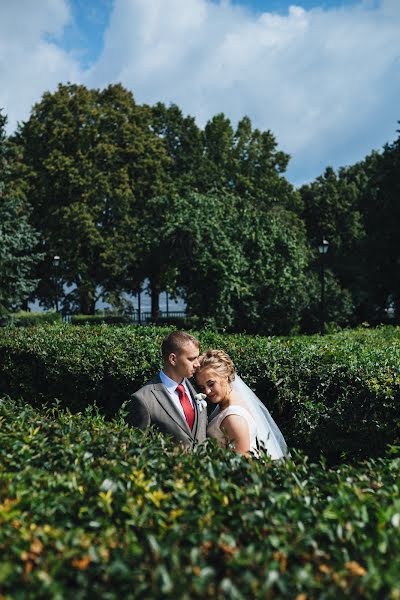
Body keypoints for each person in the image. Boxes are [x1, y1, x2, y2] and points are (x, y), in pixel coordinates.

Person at [196, 349, 288, 459]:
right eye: (202, 387)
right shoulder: (233, 400)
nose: (207, 391)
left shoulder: (233, 418)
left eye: (211, 384)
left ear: (225, 376)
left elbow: (241, 465)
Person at [125, 331, 207, 448]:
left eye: (197, 358)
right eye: (191, 359)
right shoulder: (143, 399)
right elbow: (136, 449)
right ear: (173, 359)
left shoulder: (200, 387)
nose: (197, 364)